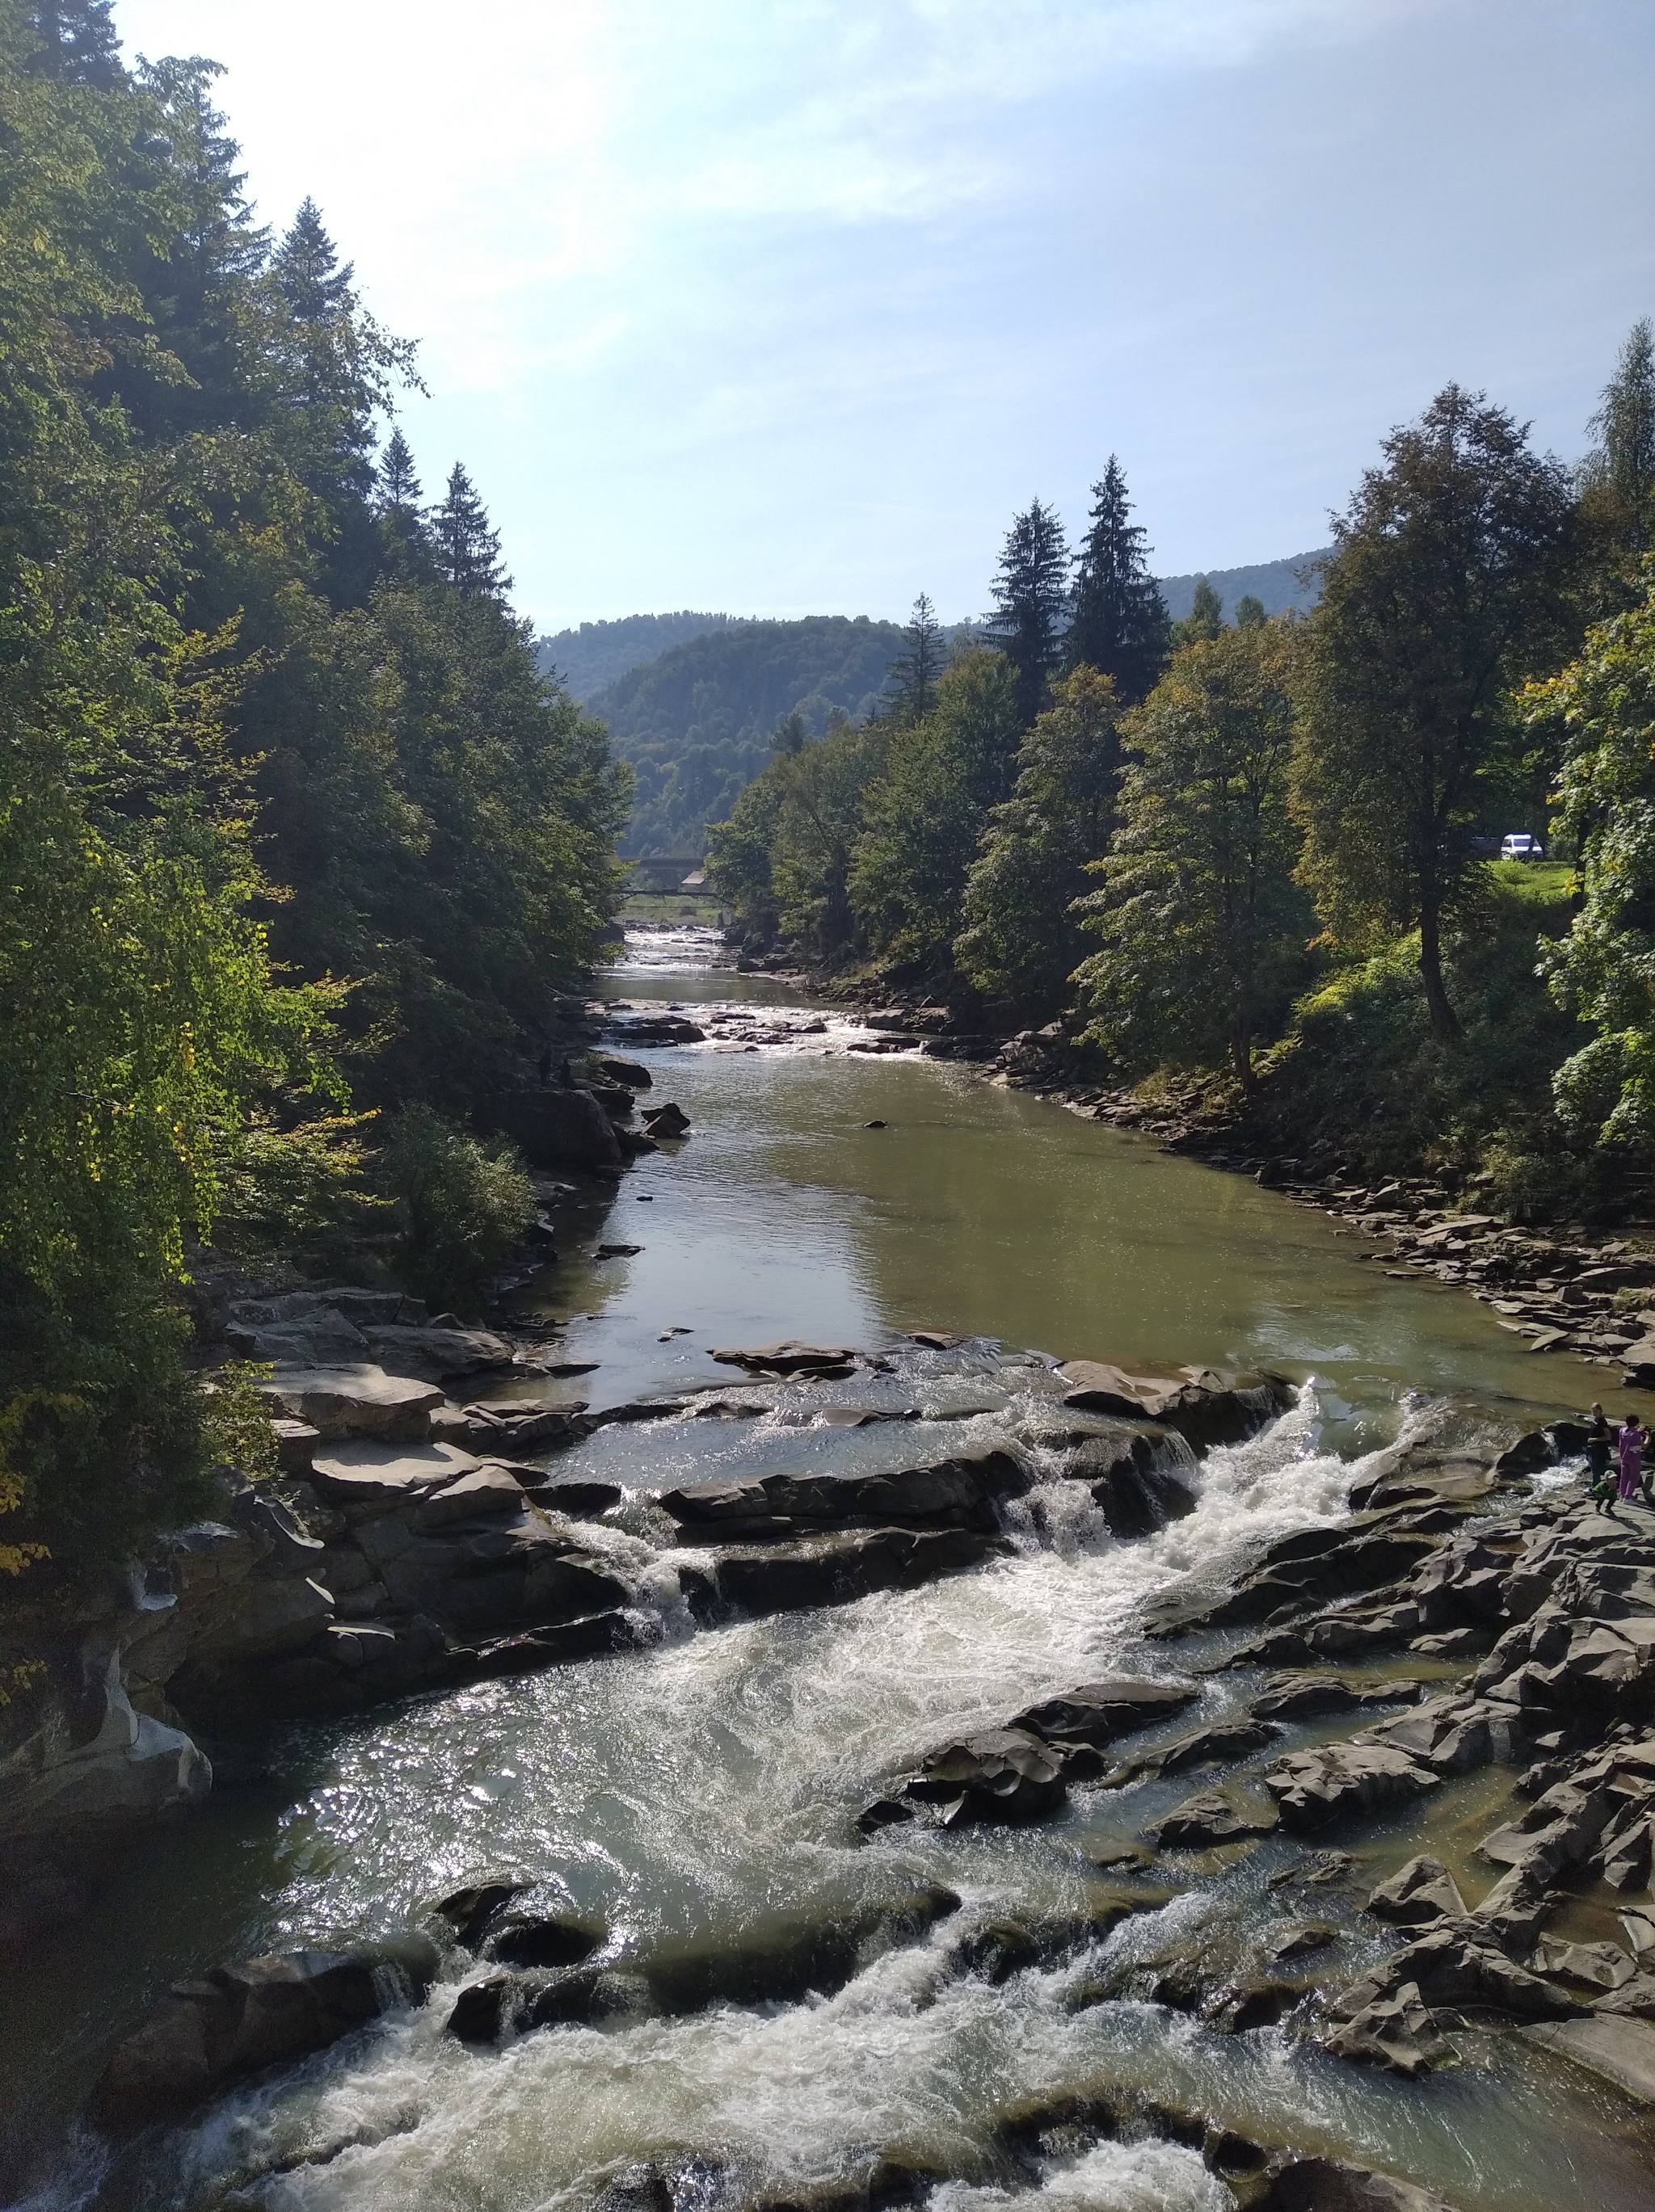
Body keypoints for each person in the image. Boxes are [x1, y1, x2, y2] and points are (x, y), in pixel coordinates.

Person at [1586, 1402, 1616, 1512]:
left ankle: (1595, 1490)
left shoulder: (1602, 1422)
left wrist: (1595, 1440)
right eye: (1592, 1410)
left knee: (1596, 1469)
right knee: (1593, 1467)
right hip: (1593, 1448)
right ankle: (1594, 1487)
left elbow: (1608, 1437)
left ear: (1600, 1410)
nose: (1593, 1412)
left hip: (1599, 1449)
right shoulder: (1595, 1420)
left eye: (1595, 1410)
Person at [1618, 1415, 1646, 1507]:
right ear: (1636, 1423)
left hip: (1623, 1456)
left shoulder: (1622, 1431)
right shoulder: (1636, 1435)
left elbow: (1630, 1434)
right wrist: (1648, 1437)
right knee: (1633, 1477)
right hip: (1633, 1458)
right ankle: (1628, 1497)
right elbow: (1644, 1446)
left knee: (1624, 1476)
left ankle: (1622, 1495)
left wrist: (1637, 1431)